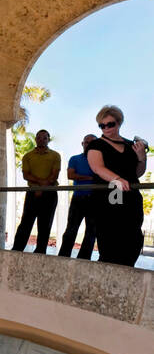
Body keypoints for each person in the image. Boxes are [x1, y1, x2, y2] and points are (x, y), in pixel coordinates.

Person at [86, 107, 147, 266]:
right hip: (111, 194)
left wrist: (141, 158)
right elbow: (97, 168)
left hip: (131, 195)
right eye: (102, 125)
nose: (106, 128)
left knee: (133, 237)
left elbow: (137, 173)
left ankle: (126, 270)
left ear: (119, 123)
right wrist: (116, 179)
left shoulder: (130, 145)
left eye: (110, 124)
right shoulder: (96, 145)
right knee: (111, 237)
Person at [12, 129, 61, 253]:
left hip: (49, 194)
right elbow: (26, 175)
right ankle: (16, 250)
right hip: (32, 193)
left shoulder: (55, 155)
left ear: (48, 139)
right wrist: (40, 186)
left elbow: (54, 175)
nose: (42, 140)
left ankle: (40, 252)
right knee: (25, 223)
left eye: (45, 138)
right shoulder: (28, 156)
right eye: (39, 137)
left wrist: (42, 187)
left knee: (45, 225)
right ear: (35, 139)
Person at [58, 134, 98, 259]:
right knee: (71, 230)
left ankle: (84, 259)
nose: (89, 144)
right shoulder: (75, 159)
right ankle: (63, 257)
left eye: (92, 142)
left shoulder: (101, 161)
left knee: (91, 232)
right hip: (78, 198)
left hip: (94, 199)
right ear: (82, 144)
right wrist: (92, 178)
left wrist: (82, 177)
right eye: (86, 142)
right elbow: (71, 175)